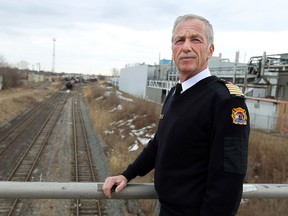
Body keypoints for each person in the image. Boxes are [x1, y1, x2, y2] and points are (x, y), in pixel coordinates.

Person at [102, 13, 250, 216]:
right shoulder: (175, 93)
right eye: (179, 40)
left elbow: (229, 180)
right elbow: (158, 144)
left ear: (210, 50)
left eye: (196, 39)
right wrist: (127, 174)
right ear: (173, 50)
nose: (186, 47)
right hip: (166, 209)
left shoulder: (225, 100)